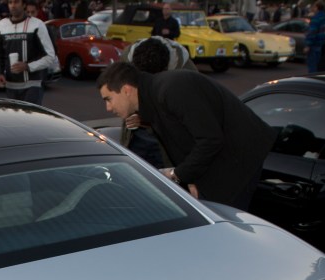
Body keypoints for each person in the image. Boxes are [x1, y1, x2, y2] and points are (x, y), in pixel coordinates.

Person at [96, 61, 275, 210]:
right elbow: (183, 142)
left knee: (225, 220)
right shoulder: (154, 96)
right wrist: (189, 179)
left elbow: (210, 139)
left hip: (238, 158)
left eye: (108, 99)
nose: (108, 108)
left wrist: (179, 175)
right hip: (221, 160)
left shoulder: (172, 89)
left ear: (126, 90)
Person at [118, 36, 196, 168]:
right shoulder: (127, 60)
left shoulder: (186, 72)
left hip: (168, 140)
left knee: (163, 180)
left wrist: (147, 118)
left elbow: (189, 114)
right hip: (136, 136)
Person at [0, 0, 57, 104]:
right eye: (10, 2)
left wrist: (27, 66)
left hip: (33, 85)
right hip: (11, 86)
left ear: (24, 5)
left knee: (30, 119)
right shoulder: (1, 26)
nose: (13, 6)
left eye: (16, 2)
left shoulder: (37, 25)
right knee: (14, 120)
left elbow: (50, 56)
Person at [303, 2, 325, 73]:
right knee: (317, 64)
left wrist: (308, 45)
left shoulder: (316, 18)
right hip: (320, 44)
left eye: (314, 7)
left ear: (317, 8)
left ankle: (311, 80)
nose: (312, 8)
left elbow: (312, 32)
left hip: (314, 44)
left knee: (312, 65)